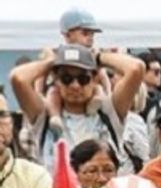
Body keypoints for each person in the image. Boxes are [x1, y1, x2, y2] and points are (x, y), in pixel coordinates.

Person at [10, 37, 145, 173]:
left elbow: (136, 69)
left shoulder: (109, 111)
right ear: (57, 80)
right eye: (66, 78)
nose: (75, 86)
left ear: (95, 79)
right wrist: (52, 61)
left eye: (83, 79)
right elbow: (18, 78)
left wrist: (97, 57)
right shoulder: (44, 115)